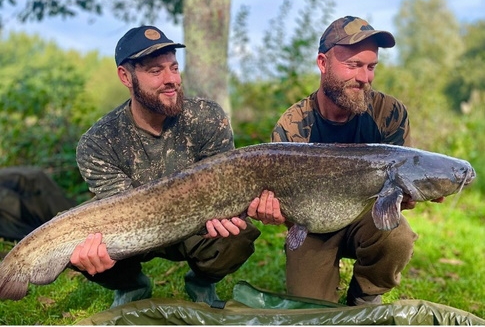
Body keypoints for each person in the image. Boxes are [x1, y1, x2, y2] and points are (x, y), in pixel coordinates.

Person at [247, 16, 444, 306]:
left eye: (371, 66)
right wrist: (274, 213)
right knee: (309, 310)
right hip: (313, 225)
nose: (364, 78)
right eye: (353, 65)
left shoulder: (388, 113)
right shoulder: (293, 124)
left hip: (367, 216)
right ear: (323, 63)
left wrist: (415, 193)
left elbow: (398, 192)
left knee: (397, 237)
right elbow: (286, 210)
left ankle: (365, 295)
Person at [69, 25, 261, 309]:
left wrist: (228, 211)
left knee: (237, 234)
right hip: (132, 228)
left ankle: (202, 281)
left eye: (174, 68)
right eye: (156, 71)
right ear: (126, 76)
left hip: (197, 223)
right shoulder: (98, 142)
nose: (171, 79)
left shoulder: (208, 118)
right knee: (80, 244)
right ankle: (132, 286)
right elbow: (124, 214)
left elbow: (225, 190)